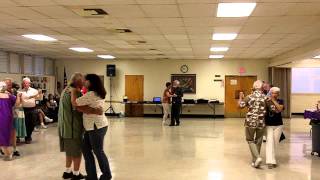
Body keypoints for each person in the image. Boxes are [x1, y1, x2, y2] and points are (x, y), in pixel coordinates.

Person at [58, 73, 101, 180]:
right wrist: (96, 110)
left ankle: (67, 171)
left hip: (64, 127)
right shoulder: (75, 92)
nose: (85, 83)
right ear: (78, 82)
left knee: (69, 150)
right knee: (77, 152)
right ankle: (76, 174)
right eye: (83, 81)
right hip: (73, 128)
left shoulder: (65, 90)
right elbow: (79, 108)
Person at [71, 74, 112, 180]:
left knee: (98, 151)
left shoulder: (92, 94)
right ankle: (92, 176)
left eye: (85, 80)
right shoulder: (95, 93)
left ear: (90, 82)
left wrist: (74, 92)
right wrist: (85, 109)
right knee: (86, 149)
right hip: (93, 126)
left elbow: (75, 103)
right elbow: (83, 106)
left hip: (96, 127)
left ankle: (107, 175)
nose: (84, 82)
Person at [239, 80, 267, 168]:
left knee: (250, 140)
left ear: (253, 87)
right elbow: (272, 109)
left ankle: (258, 157)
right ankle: (255, 161)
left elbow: (240, 106)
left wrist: (240, 97)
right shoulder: (266, 97)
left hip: (250, 122)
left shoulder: (249, 97)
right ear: (262, 88)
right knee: (258, 141)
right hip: (261, 122)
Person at [0, 81, 20, 161]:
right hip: (7, 118)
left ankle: (8, 154)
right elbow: (17, 104)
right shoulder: (9, 95)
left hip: (4, 117)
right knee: (5, 135)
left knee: (2, 135)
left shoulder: (8, 95)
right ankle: (7, 153)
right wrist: (18, 96)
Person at [4, 79, 25, 156]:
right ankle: (3, 149)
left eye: (10, 84)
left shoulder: (13, 92)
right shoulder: (2, 93)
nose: (9, 85)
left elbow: (18, 103)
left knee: (13, 133)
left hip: (13, 115)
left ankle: (15, 149)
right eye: (7, 84)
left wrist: (19, 98)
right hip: (4, 115)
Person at [265, 87, 284, 169]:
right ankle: (270, 161)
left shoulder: (281, 101)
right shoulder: (266, 101)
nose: (275, 94)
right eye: (273, 93)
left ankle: (272, 159)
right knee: (270, 142)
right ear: (270, 93)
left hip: (278, 125)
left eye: (276, 93)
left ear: (278, 94)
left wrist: (273, 100)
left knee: (275, 143)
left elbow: (279, 109)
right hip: (268, 125)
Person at [20, 77, 39, 144]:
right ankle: (28, 137)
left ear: (29, 83)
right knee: (26, 123)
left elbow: (38, 98)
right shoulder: (20, 91)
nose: (25, 84)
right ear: (22, 84)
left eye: (26, 83)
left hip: (33, 108)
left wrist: (34, 96)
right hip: (24, 109)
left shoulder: (34, 90)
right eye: (24, 83)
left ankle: (29, 135)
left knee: (33, 123)